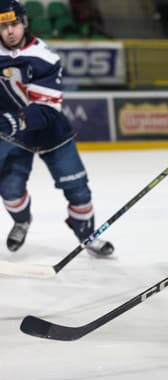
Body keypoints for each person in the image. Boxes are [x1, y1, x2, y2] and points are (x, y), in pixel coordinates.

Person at [0, 0, 113, 256]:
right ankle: (22, 221)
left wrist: (12, 120)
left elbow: (46, 109)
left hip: (50, 131)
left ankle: (87, 235)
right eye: (3, 26)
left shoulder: (45, 57)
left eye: (15, 24)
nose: (10, 31)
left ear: (24, 23)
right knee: (9, 190)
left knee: (77, 188)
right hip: (13, 135)